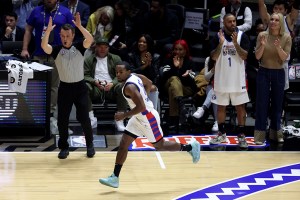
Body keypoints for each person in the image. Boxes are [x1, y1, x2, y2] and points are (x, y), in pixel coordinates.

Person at [99, 61, 201, 188]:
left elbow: (141, 107)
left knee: (160, 145)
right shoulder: (136, 76)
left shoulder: (129, 87)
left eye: (121, 72)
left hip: (148, 118)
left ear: (128, 72)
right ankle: (115, 177)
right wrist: (145, 96)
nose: (118, 75)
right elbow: (149, 83)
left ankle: (190, 147)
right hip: (138, 118)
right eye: (116, 72)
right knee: (123, 144)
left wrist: (124, 115)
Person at [41, 13, 95, 159]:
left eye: (68, 36)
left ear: (72, 36)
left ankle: (90, 145)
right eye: (63, 36)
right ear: (60, 35)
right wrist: (47, 32)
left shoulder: (80, 47)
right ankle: (64, 147)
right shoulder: (57, 50)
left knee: (84, 117)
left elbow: (90, 39)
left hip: (80, 88)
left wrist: (79, 26)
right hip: (64, 88)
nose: (65, 39)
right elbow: (44, 46)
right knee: (62, 120)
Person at [20, 0, 74, 117]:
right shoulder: (36, 11)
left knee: (54, 86)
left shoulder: (65, 12)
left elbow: (72, 33)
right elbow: (28, 30)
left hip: (58, 55)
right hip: (39, 54)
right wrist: (25, 48)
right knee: (37, 85)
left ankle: (51, 113)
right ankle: (37, 113)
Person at [209, 13, 250, 149]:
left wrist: (236, 44)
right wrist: (221, 44)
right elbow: (214, 57)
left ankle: (241, 135)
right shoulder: (216, 37)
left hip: (238, 79)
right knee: (221, 107)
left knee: (240, 108)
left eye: (234, 21)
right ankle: (222, 134)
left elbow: (244, 56)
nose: (233, 24)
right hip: (222, 79)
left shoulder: (242, 36)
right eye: (229, 22)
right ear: (224, 23)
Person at [254, 13, 292, 145]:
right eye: (272, 19)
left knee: (277, 105)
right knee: (262, 104)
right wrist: (263, 45)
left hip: (278, 72)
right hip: (263, 71)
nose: (273, 22)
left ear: (281, 23)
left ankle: (276, 133)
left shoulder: (286, 37)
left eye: (277, 20)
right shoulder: (262, 35)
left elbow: (284, 58)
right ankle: (259, 135)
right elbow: (257, 57)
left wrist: (278, 47)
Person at [84, 36, 128, 131]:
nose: (102, 49)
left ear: (108, 48)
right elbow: (85, 75)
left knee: (122, 86)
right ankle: (91, 118)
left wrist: (112, 83)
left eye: (105, 47)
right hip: (95, 87)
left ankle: (120, 119)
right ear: (96, 47)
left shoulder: (116, 58)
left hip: (112, 86)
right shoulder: (89, 59)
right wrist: (94, 82)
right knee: (83, 87)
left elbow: (121, 75)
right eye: (100, 46)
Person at [258, 0, 299, 90]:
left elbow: (295, 8)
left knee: (280, 95)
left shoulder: (288, 20)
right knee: (266, 94)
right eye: (275, 8)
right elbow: (261, 5)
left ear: (285, 11)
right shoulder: (269, 20)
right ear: (272, 9)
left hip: (281, 63)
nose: (277, 11)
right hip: (267, 63)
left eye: (280, 9)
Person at [160, 39, 197, 126]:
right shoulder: (168, 60)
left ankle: (174, 119)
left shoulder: (190, 62)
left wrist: (184, 73)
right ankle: (181, 105)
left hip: (185, 88)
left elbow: (192, 82)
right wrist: (176, 68)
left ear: (185, 51)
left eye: (180, 49)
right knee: (174, 79)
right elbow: (164, 77)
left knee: (172, 90)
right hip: (168, 85)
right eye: (176, 49)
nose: (177, 51)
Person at [128, 34, 160, 110]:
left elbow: (155, 75)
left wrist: (150, 64)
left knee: (152, 88)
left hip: (150, 82)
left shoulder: (155, 56)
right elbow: (132, 72)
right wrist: (145, 66)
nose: (141, 44)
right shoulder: (132, 55)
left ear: (149, 44)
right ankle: (137, 112)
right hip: (135, 82)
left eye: (144, 42)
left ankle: (151, 111)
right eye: (140, 41)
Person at [192, 56, 218, 132]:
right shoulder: (208, 59)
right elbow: (206, 78)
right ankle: (217, 121)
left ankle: (203, 108)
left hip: (226, 87)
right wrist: (213, 69)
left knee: (215, 91)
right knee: (214, 91)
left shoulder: (227, 59)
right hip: (212, 86)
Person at [246, 18, 265, 118]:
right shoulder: (252, 42)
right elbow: (249, 58)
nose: (260, 32)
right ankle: (255, 106)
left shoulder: (270, 41)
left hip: (266, 68)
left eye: (263, 30)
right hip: (254, 68)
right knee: (254, 78)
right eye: (258, 30)